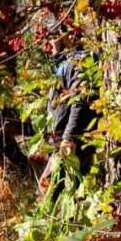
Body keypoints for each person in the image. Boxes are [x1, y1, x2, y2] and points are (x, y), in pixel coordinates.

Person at [39, 20, 98, 197]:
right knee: (73, 193)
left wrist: (68, 138)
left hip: (72, 142)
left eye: (52, 38)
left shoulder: (76, 62)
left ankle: (43, 223)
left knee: (47, 191)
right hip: (67, 140)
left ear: (66, 38)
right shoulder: (64, 64)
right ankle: (72, 224)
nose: (47, 43)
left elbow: (79, 102)